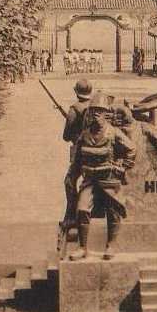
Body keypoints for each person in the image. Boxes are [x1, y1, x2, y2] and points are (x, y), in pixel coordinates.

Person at [69, 92, 136, 261]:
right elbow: (77, 160)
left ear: (106, 115)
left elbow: (131, 149)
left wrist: (123, 166)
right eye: (93, 112)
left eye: (99, 112)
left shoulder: (113, 133)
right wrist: (72, 176)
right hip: (90, 180)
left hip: (109, 179)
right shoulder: (84, 135)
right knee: (82, 209)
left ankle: (110, 245)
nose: (96, 115)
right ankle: (83, 248)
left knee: (113, 212)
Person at [61, 79, 93, 229]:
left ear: (76, 92)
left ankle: (71, 216)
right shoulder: (96, 107)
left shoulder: (74, 109)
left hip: (80, 151)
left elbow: (66, 136)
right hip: (94, 149)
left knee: (69, 181)